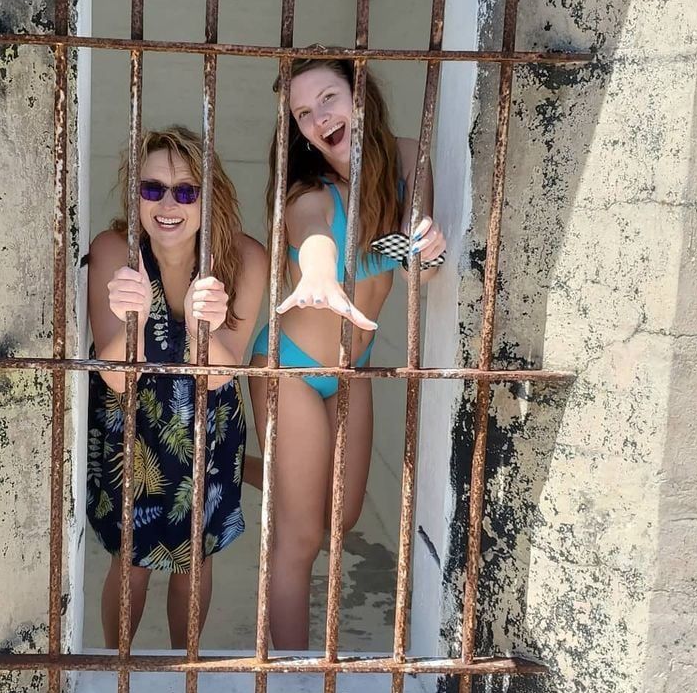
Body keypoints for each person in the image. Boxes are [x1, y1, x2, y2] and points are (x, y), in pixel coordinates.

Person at [249, 58, 447, 650]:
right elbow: (313, 239)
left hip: (351, 369)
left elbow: (418, 258)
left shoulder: (410, 158)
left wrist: (428, 249)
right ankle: (288, 686)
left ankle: (244, 471)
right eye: (303, 114)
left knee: (344, 518)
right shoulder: (307, 194)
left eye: (328, 98)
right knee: (300, 537)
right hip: (291, 369)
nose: (319, 118)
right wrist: (317, 272)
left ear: (361, 97)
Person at [86, 126, 268, 649]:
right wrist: (136, 317)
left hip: (205, 428)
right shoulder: (112, 251)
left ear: (210, 198)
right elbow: (116, 376)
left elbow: (219, 376)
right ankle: (117, 668)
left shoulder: (244, 258)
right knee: (130, 561)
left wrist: (197, 323)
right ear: (134, 193)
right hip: (131, 428)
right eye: (153, 189)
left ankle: (181, 671)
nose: (169, 204)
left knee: (195, 554)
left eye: (186, 191)